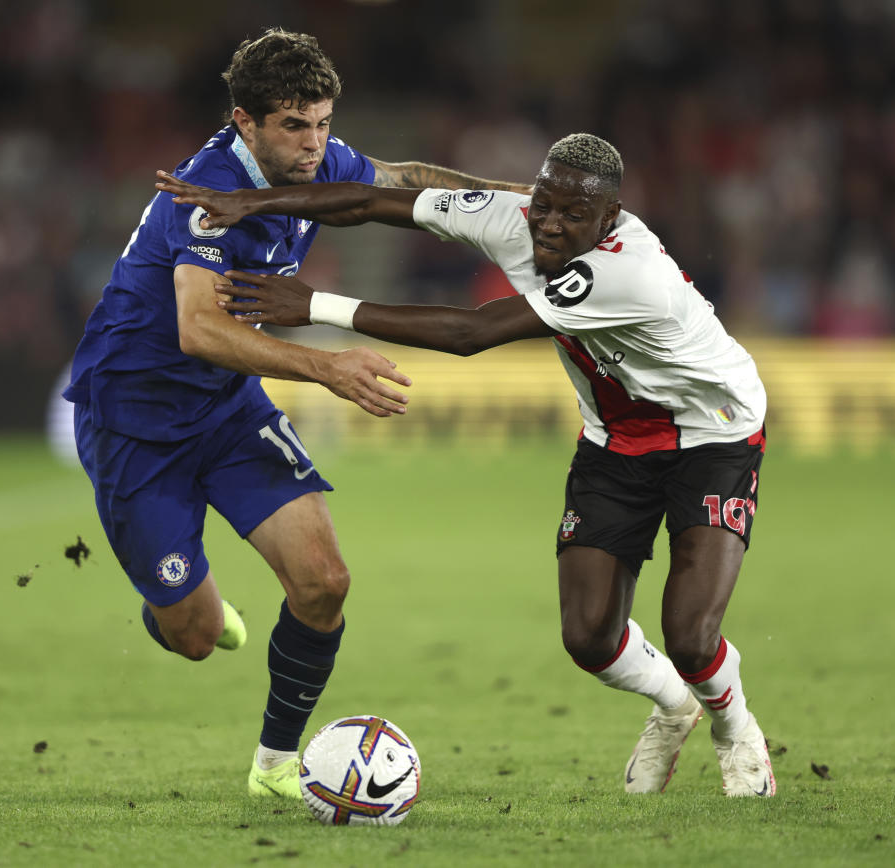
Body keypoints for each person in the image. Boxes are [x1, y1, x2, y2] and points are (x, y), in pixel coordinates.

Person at [154, 132, 777, 797]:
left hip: (711, 435)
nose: (550, 224)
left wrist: (314, 308)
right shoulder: (513, 217)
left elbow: (471, 332)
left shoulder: (630, 267)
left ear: (611, 219)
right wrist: (253, 202)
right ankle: (673, 706)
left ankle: (734, 726)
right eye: (544, 204)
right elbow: (370, 201)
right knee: (589, 637)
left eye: (573, 216)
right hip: (613, 438)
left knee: (688, 633)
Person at [63, 28, 529, 800]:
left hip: (224, 405)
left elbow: (406, 178)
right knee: (197, 636)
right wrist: (328, 366)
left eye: (323, 122)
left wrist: (519, 205)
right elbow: (198, 329)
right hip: (133, 419)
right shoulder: (208, 193)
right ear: (245, 122)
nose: (315, 144)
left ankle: (275, 766)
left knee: (324, 582)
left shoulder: (320, 159)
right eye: (293, 125)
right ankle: (180, 606)